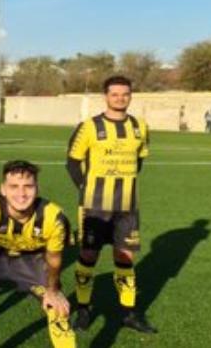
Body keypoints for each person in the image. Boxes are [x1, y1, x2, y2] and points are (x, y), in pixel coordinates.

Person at [66, 75, 157, 334]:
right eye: (115, 94)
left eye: (125, 94)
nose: (120, 98)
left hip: (127, 206)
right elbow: (72, 162)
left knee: (125, 256)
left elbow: (139, 161)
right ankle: (83, 309)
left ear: (131, 96)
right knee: (88, 255)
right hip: (94, 206)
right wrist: (86, 189)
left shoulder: (140, 126)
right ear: (106, 96)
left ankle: (128, 313)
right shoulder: (89, 126)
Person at [0, 160, 75, 348]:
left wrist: (53, 291)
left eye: (28, 186)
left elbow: (54, 259)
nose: (21, 193)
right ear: (3, 189)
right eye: (14, 186)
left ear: (37, 188)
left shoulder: (55, 217)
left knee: (57, 311)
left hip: (32, 262)